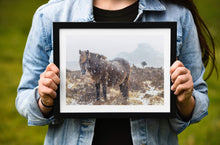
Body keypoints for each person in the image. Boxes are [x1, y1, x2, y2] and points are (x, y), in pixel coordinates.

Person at [16, 0, 217, 145]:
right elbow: (25, 96)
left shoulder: (178, 15)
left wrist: (184, 100)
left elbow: (199, 99)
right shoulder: (50, 15)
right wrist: (45, 101)